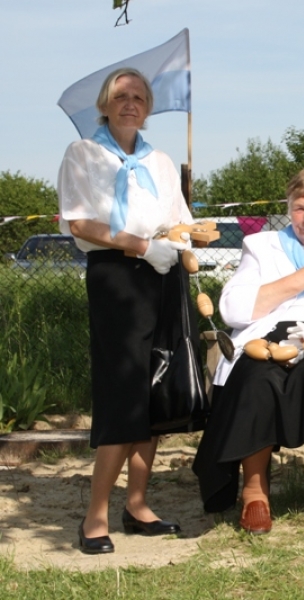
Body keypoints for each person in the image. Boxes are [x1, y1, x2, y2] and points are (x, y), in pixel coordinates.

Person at [192, 167, 304, 537]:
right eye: (299, 208)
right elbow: (232, 310)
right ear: (288, 209)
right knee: (256, 378)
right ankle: (255, 491)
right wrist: (299, 280)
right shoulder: (262, 246)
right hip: (266, 341)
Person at [57, 68, 194, 554]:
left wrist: (184, 239)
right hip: (117, 276)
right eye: (121, 96)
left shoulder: (161, 160)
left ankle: (137, 504)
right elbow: (79, 222)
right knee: (123, 393)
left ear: (148, 106)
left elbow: (178, 220)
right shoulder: (83, 154)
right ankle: (95, 515)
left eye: (138, 96)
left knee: (154, 388)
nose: (130, 103)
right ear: (104, 105)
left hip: (164, 273)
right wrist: (140, 245)